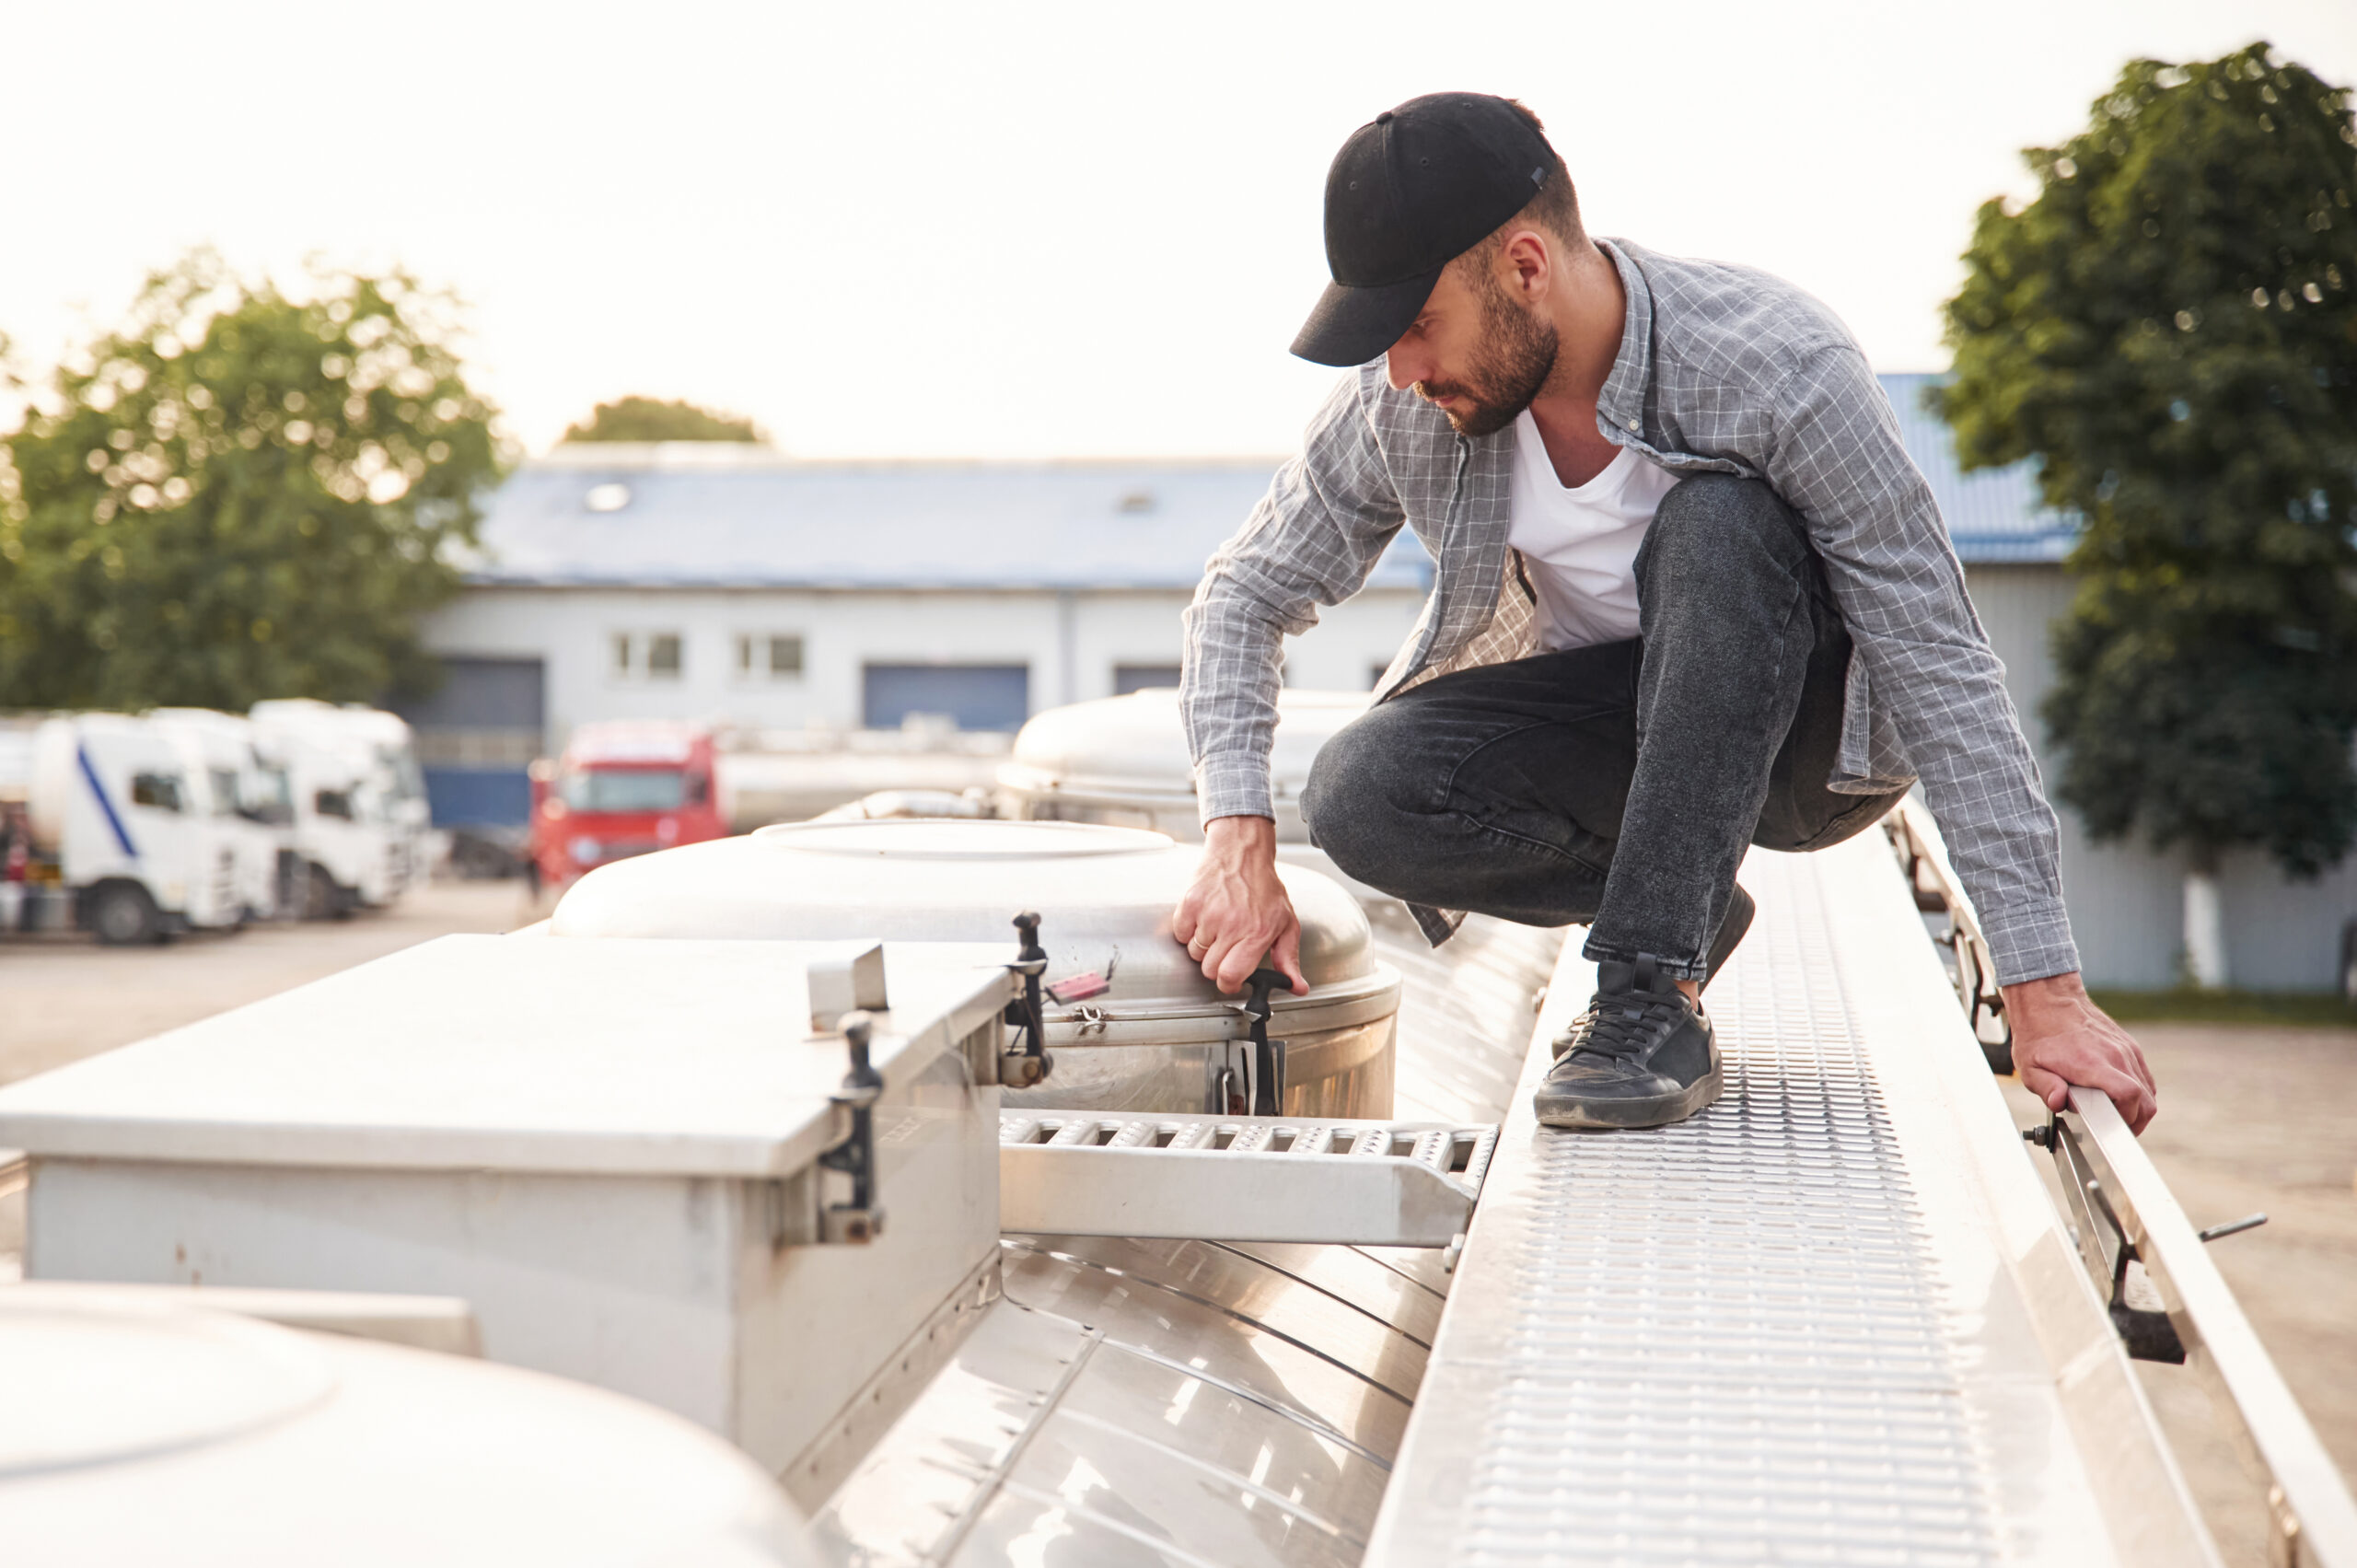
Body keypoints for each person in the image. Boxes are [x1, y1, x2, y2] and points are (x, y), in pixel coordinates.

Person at [1170, 91, 2157, 1134]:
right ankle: (1680, 901)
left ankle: (1648, 991)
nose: (1404, 371)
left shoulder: (1772, 363)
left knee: (1720, 520)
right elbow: (1243, 591)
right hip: (1623, 732)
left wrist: (2040, 984)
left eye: (1418, 325)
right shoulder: (1399, 403)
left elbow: (1940, 655)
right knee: (1362, 791)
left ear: (1523, 267)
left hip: (1804, 752)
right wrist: (1237, 841)